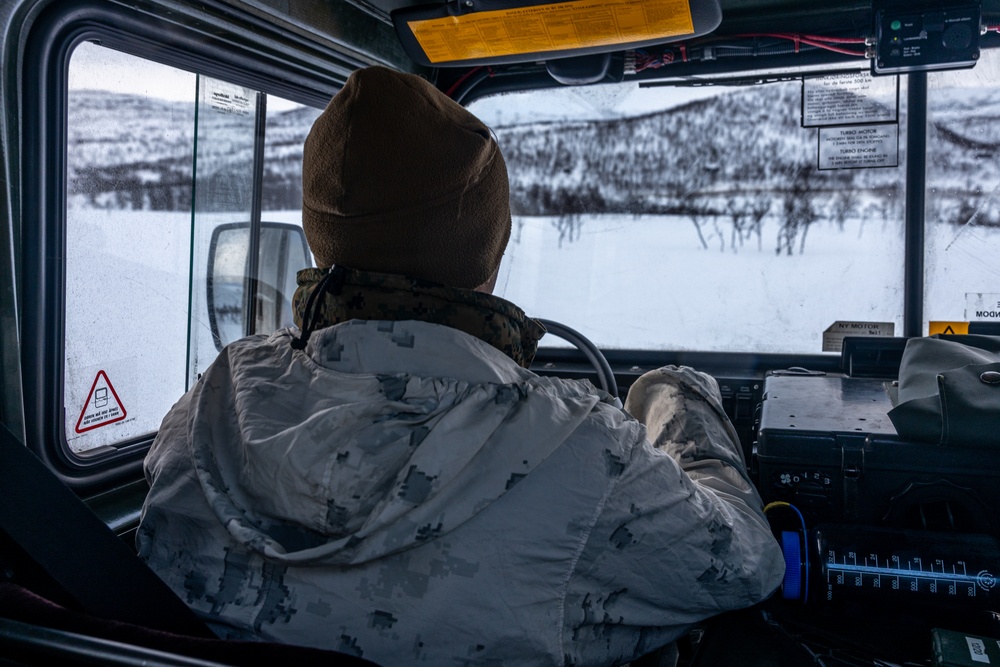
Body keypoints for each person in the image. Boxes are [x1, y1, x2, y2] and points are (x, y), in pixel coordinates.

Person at [137, 65, 784, 666]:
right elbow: (746, 565)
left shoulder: (209, 404)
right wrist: (677, 396)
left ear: (319, 234)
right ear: (486, 250)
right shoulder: (575, 448)